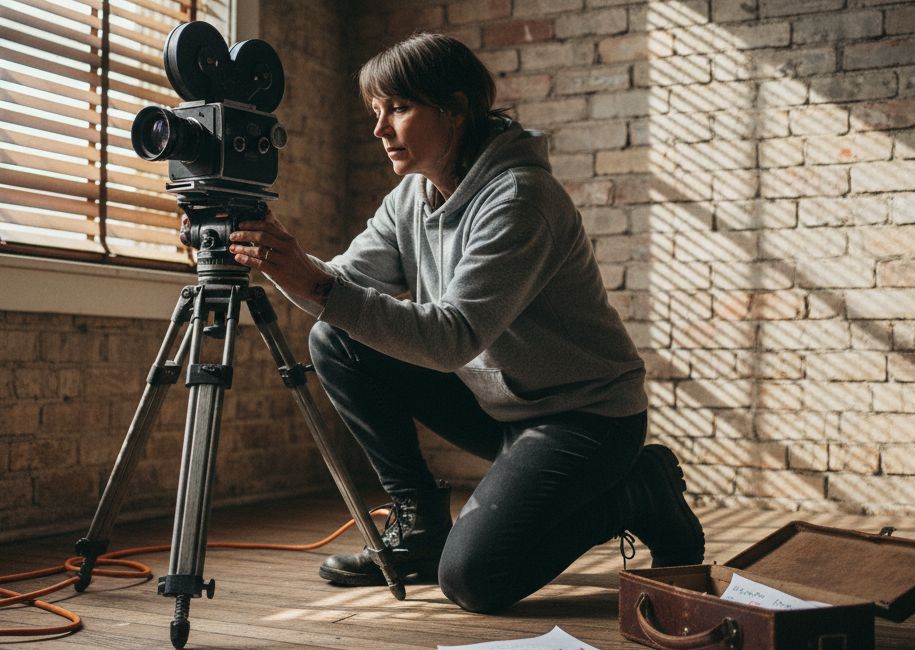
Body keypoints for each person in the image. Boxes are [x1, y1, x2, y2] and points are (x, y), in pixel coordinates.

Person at [226, 32, 703, 613]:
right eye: (376, 112)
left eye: (398, 108)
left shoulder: (521, 199)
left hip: (586, 417)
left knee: (477, 580)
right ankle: (421, 528)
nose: (379, 130)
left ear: (454, 109)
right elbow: (342, 287)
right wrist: (273, 250)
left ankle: (637, 491)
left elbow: (453, 336)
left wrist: (311, 279)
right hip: (499, 409)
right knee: (336, 339)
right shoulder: (410, 199)